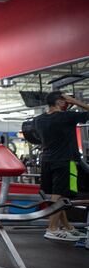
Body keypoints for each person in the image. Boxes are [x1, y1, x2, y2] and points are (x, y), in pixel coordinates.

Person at [33, 91, 89, 241]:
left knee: (57, 196)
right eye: (65, 99)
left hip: (47, 160)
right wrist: (75, 102)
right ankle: (51, 228)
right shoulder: (67, 117)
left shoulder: (38, 120)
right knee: (60, 195)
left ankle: (67, 227)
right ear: (59, 101)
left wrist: (66, 105)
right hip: (65, 161)